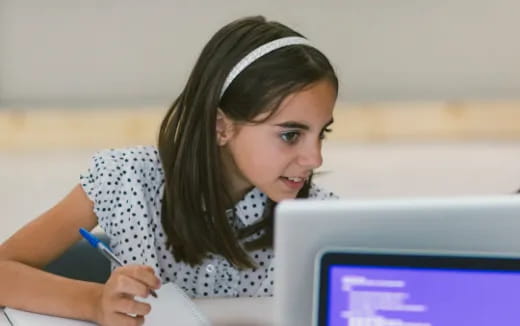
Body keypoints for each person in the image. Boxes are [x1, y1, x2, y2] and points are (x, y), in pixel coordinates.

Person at [0, 15, 338, 325]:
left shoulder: (321, 217)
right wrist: (94, 302)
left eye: (322, 132)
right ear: (221, 126)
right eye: (290, 135)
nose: (315, 158)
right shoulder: (127, 177)